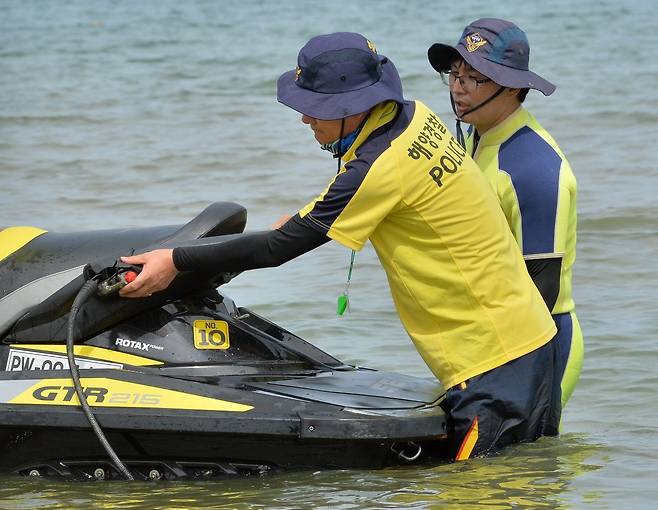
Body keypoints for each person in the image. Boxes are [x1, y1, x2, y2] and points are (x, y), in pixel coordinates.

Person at [119, 32, 561, 460]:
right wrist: (277, 230)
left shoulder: (378, 165)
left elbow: (282, 247)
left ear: (351, 106)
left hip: (491, 363)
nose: (305, 118)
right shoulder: (414, 117)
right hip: (528, 340)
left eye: (314, 108)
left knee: (475, 494)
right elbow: (332, 204)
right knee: (526, 486)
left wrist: (175, 260)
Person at [427, 18, 583, 411]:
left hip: (539, 345)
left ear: (513, 86)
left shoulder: (534, 169)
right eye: (454, 74)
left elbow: (540, 293)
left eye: (474, 78)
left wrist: (502, 370)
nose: (458, 88)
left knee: (523, 472)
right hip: (487, 341)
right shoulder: (474, 139)